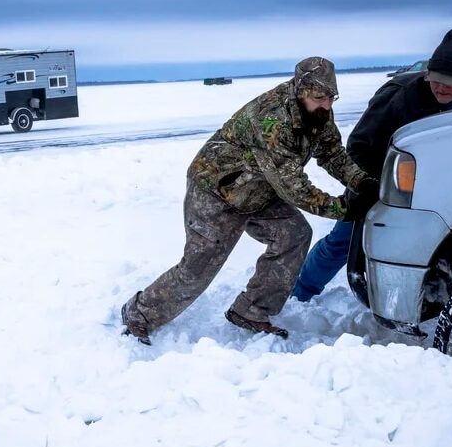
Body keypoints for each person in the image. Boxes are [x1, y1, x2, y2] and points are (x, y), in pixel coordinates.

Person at [121, 57, 377, 344]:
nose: (327, 105)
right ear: (300, 89)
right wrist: (343, 209)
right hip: (216, 190)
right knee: (199, 266)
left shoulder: (318, 112)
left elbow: (332, 154)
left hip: (260, 188)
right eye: (319, 98)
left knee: (294, 234)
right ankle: (139, 313)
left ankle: (253, 310)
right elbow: (294, 187)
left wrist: (361, 181)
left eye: (331, 97)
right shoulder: (272, 119)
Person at [291, 29, 452, 301]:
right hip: (379, 181)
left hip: (441, 192)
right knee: (342, 242)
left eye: (449, 82)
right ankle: (299, 293)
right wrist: (377, 185)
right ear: (427, 74)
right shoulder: (399, 97)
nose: (441, 87)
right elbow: (357, 147)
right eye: (436, 79)